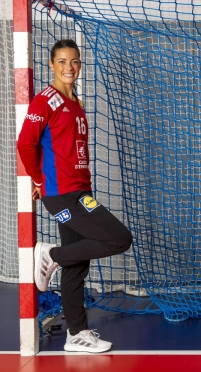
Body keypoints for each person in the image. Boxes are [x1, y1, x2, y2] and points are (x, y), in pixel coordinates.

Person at [17, 39, 132, 353]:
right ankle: (48, 255)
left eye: (75, 61)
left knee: (77, 264)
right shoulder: (45, 100)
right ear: (51, 65)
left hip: (80, 189)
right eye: (63, 61)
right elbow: (25, 143)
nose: (69, 67)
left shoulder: (75, 101)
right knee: (119, 238)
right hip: (64, 193)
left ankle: (76, 334)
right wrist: (39, 179)